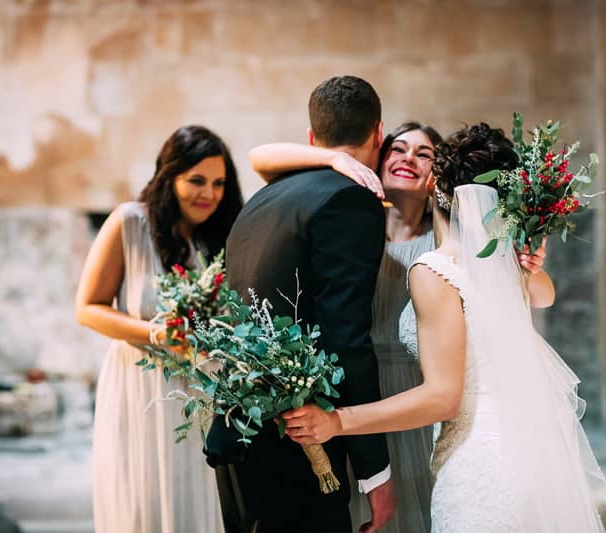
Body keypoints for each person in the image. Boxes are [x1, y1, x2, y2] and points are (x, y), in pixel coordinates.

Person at [283, 123, 606, 532]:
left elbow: (443, 398)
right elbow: (544, 294)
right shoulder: (501, 262)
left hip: (479, 468)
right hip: (529, 457)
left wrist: (336, 422)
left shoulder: (435, 270)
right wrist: (529, 259)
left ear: (435, 183)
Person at [204, 75, 396, 533]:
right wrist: (375, 473)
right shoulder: (352, 202)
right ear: (378, 134)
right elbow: (346, 337)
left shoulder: (263, 198)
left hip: (238, 428)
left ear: (312, 138)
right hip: (300, 442)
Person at [248, 122, 441, 533]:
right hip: (353, 392)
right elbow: (260, 156)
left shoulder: (445, 244)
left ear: (436, 177)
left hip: (414, 390)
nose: (409, 158)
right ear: (377, 155)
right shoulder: (345, 223)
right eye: (399, 149)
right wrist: (333, 157)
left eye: (423, 154)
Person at [75, 125, 244, 533]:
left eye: (219, 183)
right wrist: (156, 333)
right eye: (197, 181)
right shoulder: (130, 223)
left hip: (200, 392)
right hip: (139, 388)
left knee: (197, 503)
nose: (209, 193)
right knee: (144, 502)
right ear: (169, 177)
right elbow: (88, 308)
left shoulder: (217, 239)